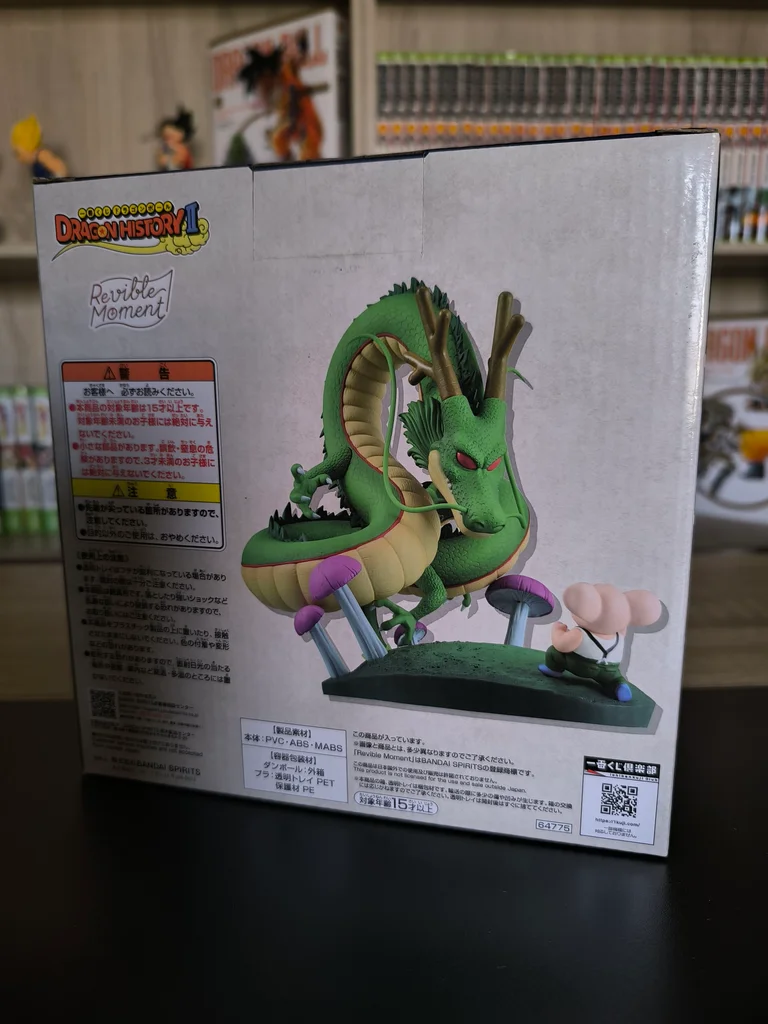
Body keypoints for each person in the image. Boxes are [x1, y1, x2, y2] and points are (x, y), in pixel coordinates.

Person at [10, 115, 67, 180]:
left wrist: (56, 183)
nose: (19, 159)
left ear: (28, 147)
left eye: (19, 154)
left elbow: (61, 168)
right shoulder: (35, 161)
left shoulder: (42, 155)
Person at [157, 107, 195, 172]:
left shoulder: (181, 149)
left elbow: (177, 162)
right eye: (165, 138)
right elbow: (161, 162)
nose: (167, 140)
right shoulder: (165, 149)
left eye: (171, 137)